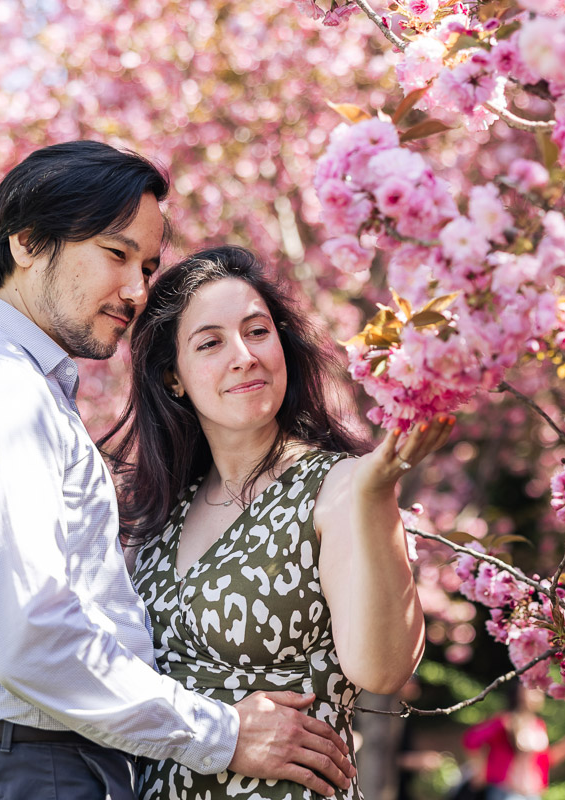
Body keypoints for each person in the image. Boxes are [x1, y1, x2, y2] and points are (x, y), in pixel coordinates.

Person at [0, 142, 354, 800]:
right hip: (26, 766)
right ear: (26, 242)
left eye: (149, 265)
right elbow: (33, 636)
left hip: (36, 760)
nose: (136, 291)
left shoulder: (21, 386)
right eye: (115, 253)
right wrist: (222, 733)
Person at [101, 244, 448, 799]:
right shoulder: (163, 511)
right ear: (174, 378)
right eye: (211, 343)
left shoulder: (338, 484)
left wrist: (377, 494)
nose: (244, 355)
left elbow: (382, 670)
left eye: (257, 331)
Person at [459, 685, 565, 800]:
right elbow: (471, 739)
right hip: (506, 790)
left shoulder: (538, 725)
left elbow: (542, 760)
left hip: (533, 791)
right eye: (533, 691)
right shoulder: (506, 721)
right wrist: (481, 767)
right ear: (520, 694)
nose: (539, 695)